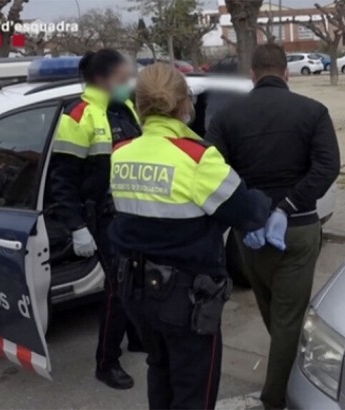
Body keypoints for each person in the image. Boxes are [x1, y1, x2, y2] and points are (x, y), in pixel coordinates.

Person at [109, 62, 271, 409]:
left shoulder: (120, 153)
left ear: (139, 106)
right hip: (185, 300)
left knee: (159, 367)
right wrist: (265, 199)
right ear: (185, 104)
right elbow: (248, 212)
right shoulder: (196, 158)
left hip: (134, 290)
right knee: (194, 387)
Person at [205, 43, 341, 409]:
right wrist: (290, 205)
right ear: (286, 72)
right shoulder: (313, 112)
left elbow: (213, 173)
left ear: (253, 74)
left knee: (274, 311)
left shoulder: (228, 118)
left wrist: (245, 214)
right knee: (287, 317)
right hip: (297, 229)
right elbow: (327, 167)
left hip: (249, 235)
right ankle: (276, 398)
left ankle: (278, 385)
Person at [47, 49, 143, 390]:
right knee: (116, 289)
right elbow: (63, 180)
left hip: (132, 210)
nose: (128, 82)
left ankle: (136, 337)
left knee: (137, 277)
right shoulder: (79, 116)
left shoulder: (124, 107)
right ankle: (107, 362)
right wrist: (77, 227)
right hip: (102, 216)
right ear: (104, 78)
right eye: (123, 76)